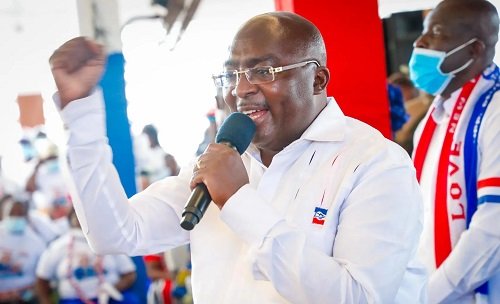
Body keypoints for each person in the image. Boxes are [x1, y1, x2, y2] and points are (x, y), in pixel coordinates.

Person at [48, 12, 426, 303]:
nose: (241, 89)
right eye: (231, 75)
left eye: (264, 71)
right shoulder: (225, 161)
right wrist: (79, 117)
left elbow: (358, 297)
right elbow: (116, 233)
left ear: (317, 80)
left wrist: (238, 201)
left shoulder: (373, 163)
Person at [409, 0, 500, 302]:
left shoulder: (494, 111)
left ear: (474, 50)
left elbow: (494, 226)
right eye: (424, 31)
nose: (419, 42)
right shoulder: (434, 118)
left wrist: (432, 294)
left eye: (436, 32)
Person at [35, 209, 138, 304]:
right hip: (73, 300)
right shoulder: (58, 247)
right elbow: (41, 281)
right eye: (78, 215)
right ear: (71, 218)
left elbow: (129, 273)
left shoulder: (108, 241)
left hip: (110, 298)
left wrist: (113, 289)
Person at [0, 194, 46, 303]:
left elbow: (42, 275)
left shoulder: (36, 241)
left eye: (20, 214)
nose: (16, 217)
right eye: (12, 213)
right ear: (4, 214)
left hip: (26, 297)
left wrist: (26, 295)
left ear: (26, 216)